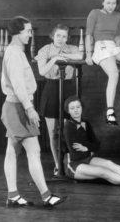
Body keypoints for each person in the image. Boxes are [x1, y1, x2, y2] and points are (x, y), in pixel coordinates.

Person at [1, 16, 68, 208]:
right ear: (17, 32)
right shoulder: (14, 53)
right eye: (28, 31)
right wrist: (29, 109)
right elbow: (18, 84)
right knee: (34, 151)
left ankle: (13, 196)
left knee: (12, 151)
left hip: (16, 106)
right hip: (19, 107)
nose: (31, 34)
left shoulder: (16, 51)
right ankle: (47, 196)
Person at [62, 95, 120, 189]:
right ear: (68, 111)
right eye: (72, 108)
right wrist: (89, 149)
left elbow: (97, 145)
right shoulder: (68, 127)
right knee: (103, 171)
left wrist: (86, 148)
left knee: (109, 163)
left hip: (86, 158)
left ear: (81, 108)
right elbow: (75, 155)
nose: (76, 110)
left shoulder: (86, 124)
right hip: (73, 165)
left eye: (78, 107)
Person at [35, 24, 82, 176]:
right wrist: (55, 58)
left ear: (67, 37)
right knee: (53, 133)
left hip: (67, 88)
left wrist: (61, 57)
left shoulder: (73, 48)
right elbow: (42, 71)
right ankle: (57, 164)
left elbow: (80, 57)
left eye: (64, 36)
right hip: (51, 89)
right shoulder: (45, 50)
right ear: (53, 36)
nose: (61, 39)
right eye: (58, 35)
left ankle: (69, 163)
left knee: (69, 131)